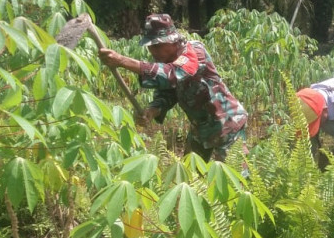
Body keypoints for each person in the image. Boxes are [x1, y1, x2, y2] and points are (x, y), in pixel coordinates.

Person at [98, 13, 247, 161]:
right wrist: (152, 111)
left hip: (227, 123)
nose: (154, 51)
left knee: (234, 178)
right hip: (201, 128)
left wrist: (122, 61)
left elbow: (174, 73)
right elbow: (167, 93)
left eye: (158, 46)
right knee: (190, 176)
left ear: (173, 41)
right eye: (151, 46)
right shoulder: (165, 59)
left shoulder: (194, 52)